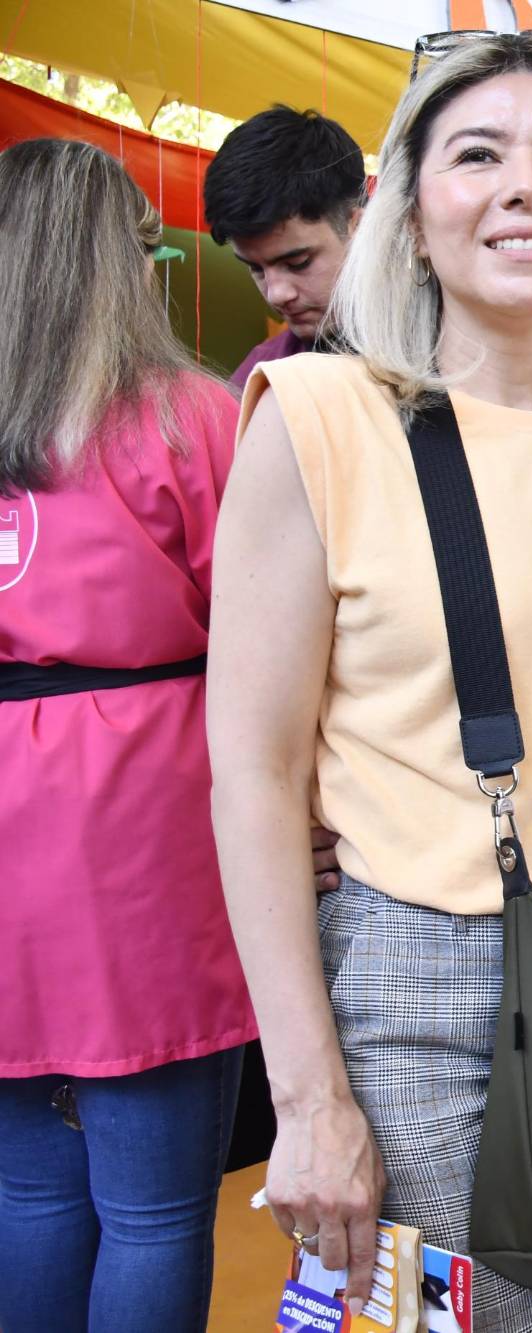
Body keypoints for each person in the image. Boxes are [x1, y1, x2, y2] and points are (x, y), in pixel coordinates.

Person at [207, 32, 532, 1325]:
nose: (526, 185)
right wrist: (309, 1098)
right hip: (423, 1005)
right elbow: (251, 772)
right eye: (477, 154)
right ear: (413, 216)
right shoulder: (316, 418)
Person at [0, 139, 253, 1333]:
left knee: (26, 1187)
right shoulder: (193, 418)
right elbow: (261, 632)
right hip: (142, 813)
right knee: (153, 1208)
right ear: (124, 257)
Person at [204, 106, 367, 388]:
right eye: (256, 268)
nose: (276, 294)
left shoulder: (452, 343)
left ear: (359, 227)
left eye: (298, 263)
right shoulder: (258, 378)